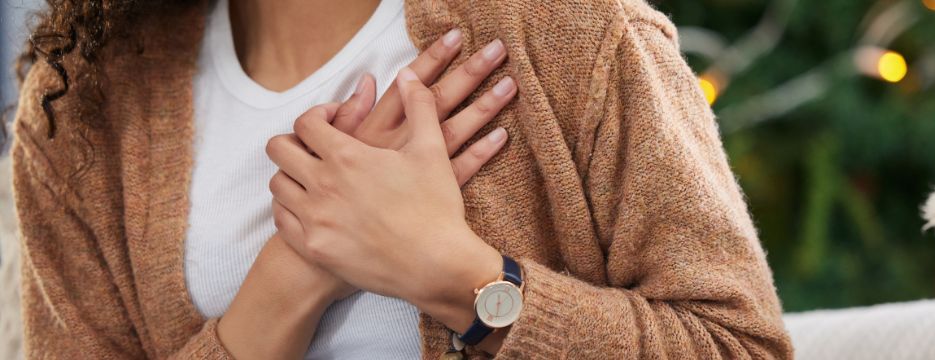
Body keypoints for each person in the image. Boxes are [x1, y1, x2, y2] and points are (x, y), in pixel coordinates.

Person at [9, 0, 793, 358]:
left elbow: (739, 348)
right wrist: (289, 279)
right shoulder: (81, 100)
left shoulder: (573, 30)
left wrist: (456, 278)